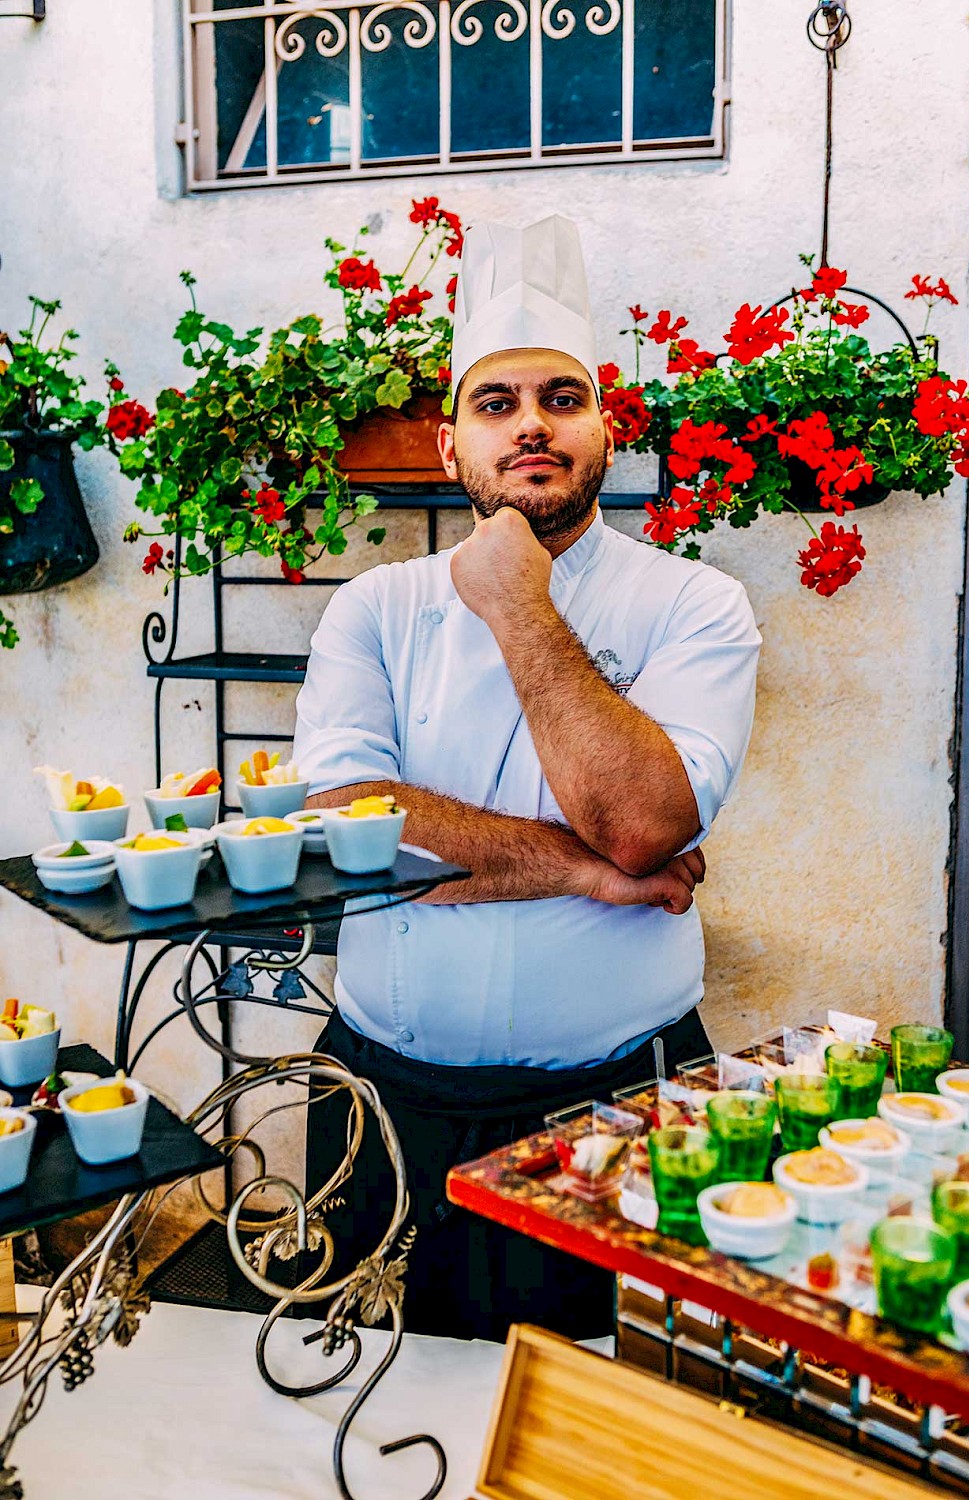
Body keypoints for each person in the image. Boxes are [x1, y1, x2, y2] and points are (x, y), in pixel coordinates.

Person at [292, 215, 760, 1340]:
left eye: (561, 398)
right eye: (494, 405)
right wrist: (588, 871)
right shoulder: (375, 607)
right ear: (447, 449)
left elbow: (646, 822)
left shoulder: (694, 605)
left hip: (618, 1104)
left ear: (607, 430)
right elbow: (350, 830)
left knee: (598, 1406)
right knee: (355, 1392)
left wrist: (514, 601)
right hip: (381, 1099)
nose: (531, 426)